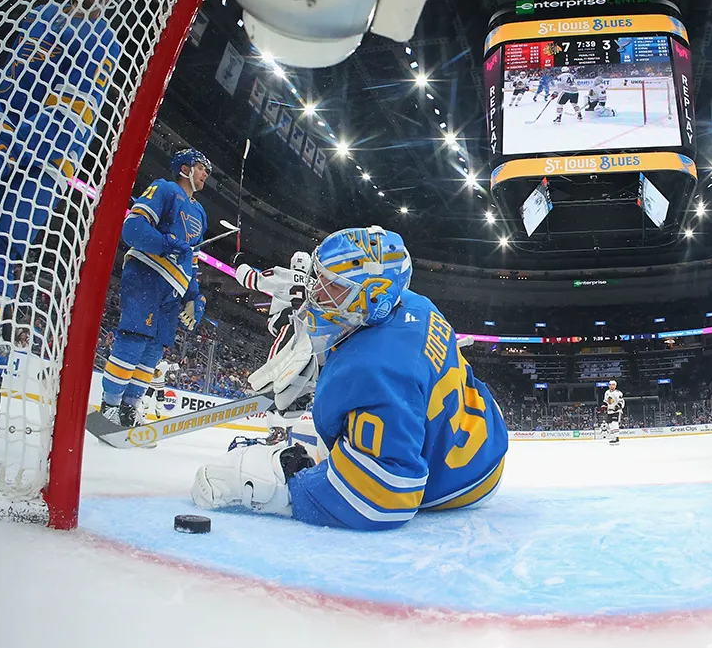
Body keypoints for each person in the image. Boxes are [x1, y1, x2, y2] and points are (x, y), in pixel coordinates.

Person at [192, 226, 509, 531]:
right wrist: (328, 366)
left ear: (373, 297)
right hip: (479, 433)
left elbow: (383, 499)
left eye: (333, 286)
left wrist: (280, 488)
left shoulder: (377, 370)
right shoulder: (415, 303)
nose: (317, 292)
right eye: (319, 278)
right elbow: (400, 358)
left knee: (322, 449)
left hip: (460, 481)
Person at [0, 0, 127, 410]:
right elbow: (8, 76)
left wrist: (21, 140)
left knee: (3, 248)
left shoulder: (104, 39)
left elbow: (77, 107)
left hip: (45, 157)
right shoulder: (40, 14)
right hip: (5, 133)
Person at [99, 148, 209, 427]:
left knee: (154, 349)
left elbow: (192, 261)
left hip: (174, 289)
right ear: (184, 169)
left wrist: (194, 296)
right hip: (148, 272)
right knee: (135, 338)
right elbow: (133, 228)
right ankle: (109, 405)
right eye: (200, 167)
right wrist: (165, 243)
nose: (205, 173)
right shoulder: (164, 189)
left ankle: (129, 408)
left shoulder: (200, 213)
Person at [233, 250, 311, 443]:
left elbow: (251, 279)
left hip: (289, 327)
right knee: (300, 380)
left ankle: (276, 427)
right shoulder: (316, 284)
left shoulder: (283, 274)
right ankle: (290, 421)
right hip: (309, 337)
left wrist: (239, 263)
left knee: (275, 375)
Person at [602, 379, 624, 445]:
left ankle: (616, 437)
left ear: (615, 386)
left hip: (616, 411)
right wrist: (604, 406)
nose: (611, 386)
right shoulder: (607, 392)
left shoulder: (618, 393)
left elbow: (621, 401)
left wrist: (617, 406)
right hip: (609, 411)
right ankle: (613, 437)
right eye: (610, 385)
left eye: (613, 385)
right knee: (610, 424)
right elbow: (606, 401)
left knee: (614, 423)